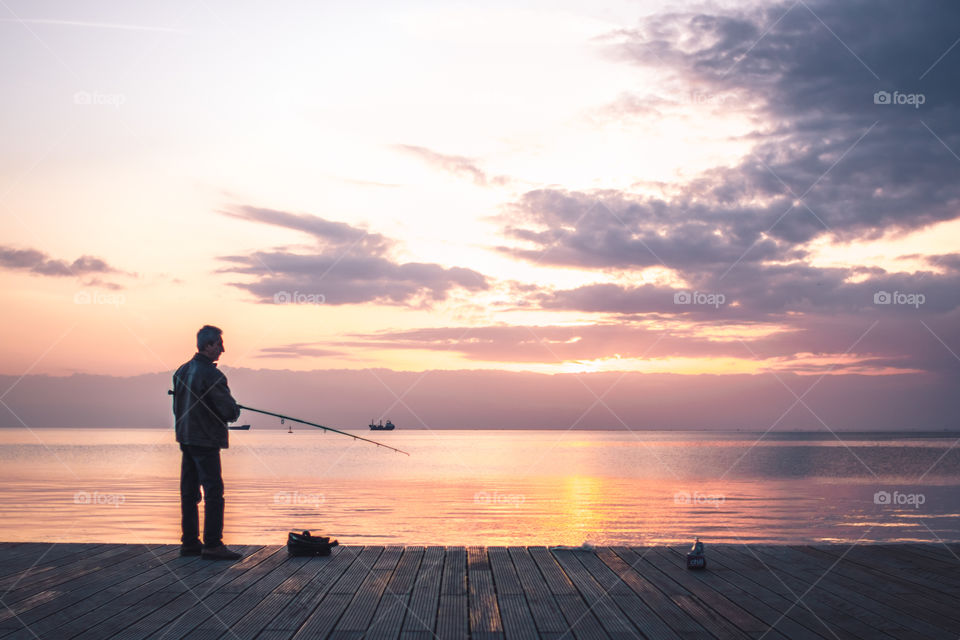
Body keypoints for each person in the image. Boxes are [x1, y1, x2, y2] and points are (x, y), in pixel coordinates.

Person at [172, 325, 242, 560]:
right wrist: (235, 409)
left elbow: (177, 408)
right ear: (208, 345)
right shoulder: (212, 375)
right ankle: (213, 544)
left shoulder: (181, 371)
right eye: (219, 344)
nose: (222, 349)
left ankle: (190, 543)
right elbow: (228, 411)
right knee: (213, 491)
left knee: (189, 492)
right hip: (205, 440)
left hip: (186, 438)